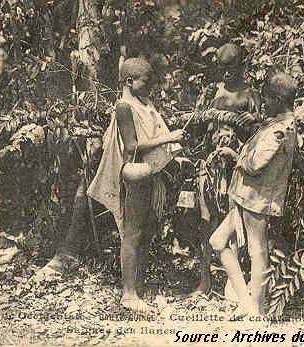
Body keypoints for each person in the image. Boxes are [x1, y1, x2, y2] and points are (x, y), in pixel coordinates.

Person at [87, 57, 184, 312]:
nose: (150, 88)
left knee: (147, 230)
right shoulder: (124, 106)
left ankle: (137, 287)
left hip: (149, 173)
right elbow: (131, 146)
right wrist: (168, 138)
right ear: (129, 81)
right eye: (146, 82)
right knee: (132, 233)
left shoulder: (144, 102)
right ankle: (128, 294)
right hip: (134, 174)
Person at [209, 71, 298, 317]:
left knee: (257, 251)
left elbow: (257, 163)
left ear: (277, 100)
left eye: (267, 99)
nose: (264, 104)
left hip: (257, 198)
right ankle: (247, 302)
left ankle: (257, 310)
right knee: (218, 241)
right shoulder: (278, 123)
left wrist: (237, 158)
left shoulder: (281, 128)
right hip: (246, 195)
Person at [190, 43, 262, 297]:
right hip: (211, 166)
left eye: (231, 67)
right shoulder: (213, 92)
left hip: (237, 166)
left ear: (242, 65)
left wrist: (248, 124)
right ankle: (205, 282)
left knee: (236, 223)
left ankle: (235, 284)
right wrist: (206, 117)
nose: (227, 74)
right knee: (206, 220)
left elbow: (259, 135)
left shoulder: (252, 95)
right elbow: (196, 126)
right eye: (222, 68)